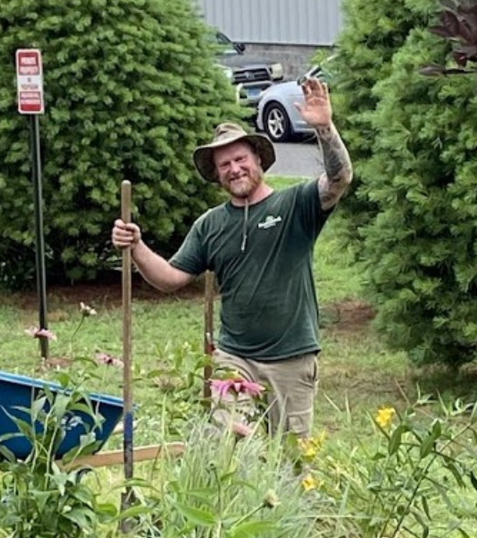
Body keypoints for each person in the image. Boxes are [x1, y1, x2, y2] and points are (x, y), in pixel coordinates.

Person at [112, 76, 351, 437]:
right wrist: (136, 247)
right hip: (234, 359)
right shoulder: (211, 224)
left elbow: (339, 178)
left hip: (291, 359)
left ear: (258, 159)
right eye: (224, 165)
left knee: (292, 462)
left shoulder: (295, 204)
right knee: (228, 443)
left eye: (240, 159)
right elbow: (170, 279)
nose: (234, 169)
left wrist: (324, 129)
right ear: (217, 174)